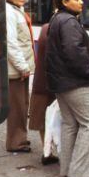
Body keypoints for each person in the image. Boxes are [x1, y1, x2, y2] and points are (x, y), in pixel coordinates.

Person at [45, 0, 89, 177]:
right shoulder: (69, 22)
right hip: (75, 82)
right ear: (65, 1)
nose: (82, 2)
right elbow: (74, 53)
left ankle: (67, 170)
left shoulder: (57, 19)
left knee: (70, 124)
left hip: (61, 82)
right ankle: (79, 171)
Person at [5, 0, 35, 153]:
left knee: (22, 104)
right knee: (17, 107)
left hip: (21, 68)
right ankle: (16, 143)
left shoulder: (17, 9)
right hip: (16, 69)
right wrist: (23, 67)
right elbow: (11, 43)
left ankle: (20, 139)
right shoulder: (10, 12)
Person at [28, 19, 58, 165]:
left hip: (41, 82)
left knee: (42, 118)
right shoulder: (56, 29)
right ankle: (53, 151)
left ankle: (47, 151)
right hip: (54, 82)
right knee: (57, 117)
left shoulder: (45, 28)